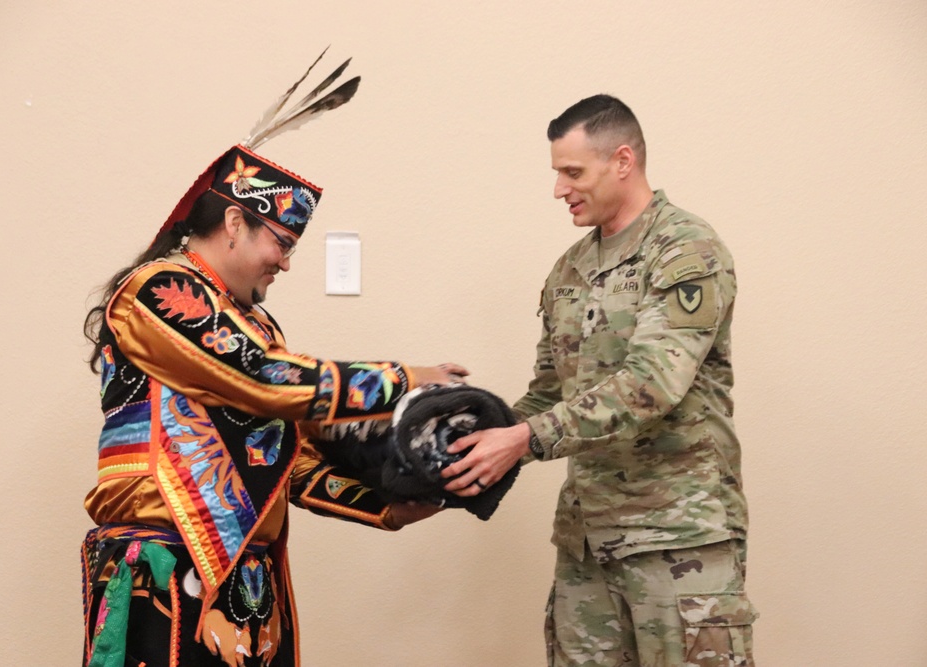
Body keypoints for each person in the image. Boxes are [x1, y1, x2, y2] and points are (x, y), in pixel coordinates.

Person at [81, 59, 466, 667]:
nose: (285, 264)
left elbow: (286, 461)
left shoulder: (254, 326)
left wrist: (384, 507)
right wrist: (404, 379)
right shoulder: (156, 293)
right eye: (281, 243)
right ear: (235, 222)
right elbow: (264, 379)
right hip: (165, 565)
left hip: (249, 585)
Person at [441, 95, 757, 666]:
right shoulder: (570, 269)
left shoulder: (685, 249)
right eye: (557, 174)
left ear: (622, 161)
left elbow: (653, 383)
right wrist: (470, 439)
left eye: (572, 172)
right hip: (587, 543)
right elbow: (548, 392)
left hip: (676, 538)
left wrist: (524, 440)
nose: (559, 189)